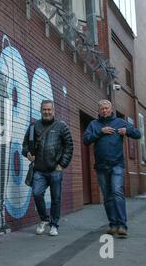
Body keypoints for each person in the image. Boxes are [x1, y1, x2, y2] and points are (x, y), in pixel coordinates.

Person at [83, 100, 141, 237]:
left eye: (106, 108)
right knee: (108, 197)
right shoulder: (94, 124)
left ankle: (122, 225)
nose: (104, 110)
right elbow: (86, 140)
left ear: (111, 109)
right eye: (101, 108)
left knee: (116, 192)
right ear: (98, 111)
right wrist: (100, 132)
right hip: (101, 166)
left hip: (117, 164)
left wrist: (127, 131)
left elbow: (137, 134)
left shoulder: (119, 122)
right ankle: (113, 224)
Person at [22, 100, 74, 236]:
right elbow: (25, 145)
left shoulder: (62, 126)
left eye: (49, 109)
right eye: (44, 109)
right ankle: (44, 219)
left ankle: (54, 224)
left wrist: (62, 164)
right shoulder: (34, 126)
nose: (47, 112)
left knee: (56, 198)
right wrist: (27, 153)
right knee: (37, 193)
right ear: (41, 110)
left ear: (53, 110)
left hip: (55, 169)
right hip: (39, 169)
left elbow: (69, 146)